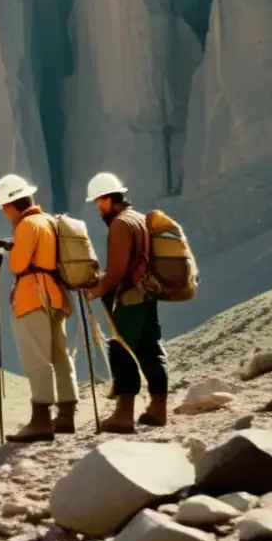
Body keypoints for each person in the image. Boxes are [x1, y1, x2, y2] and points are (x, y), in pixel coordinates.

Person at [0, 174, 78, 442]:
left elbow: (18, 265)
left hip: (33, 298)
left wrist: (1, 255)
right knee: (60, 355)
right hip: (55, 296)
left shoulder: (26, 225)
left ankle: (40, 420)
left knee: (37, 358)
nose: (4, 213)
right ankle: (66, 416)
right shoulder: (48, 221)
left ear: (10, 205)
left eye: (4, 207)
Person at [85, 172, 169, 434]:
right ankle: (158, 409)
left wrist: (97, 289)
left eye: (100, 203)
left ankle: (123, 415)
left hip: (131, 297)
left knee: (121, 350)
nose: (99, 209)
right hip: (148, 294)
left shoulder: (121, 224)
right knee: (150, 348)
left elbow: (118, 270)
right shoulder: (140, 219)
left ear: (110, 199)